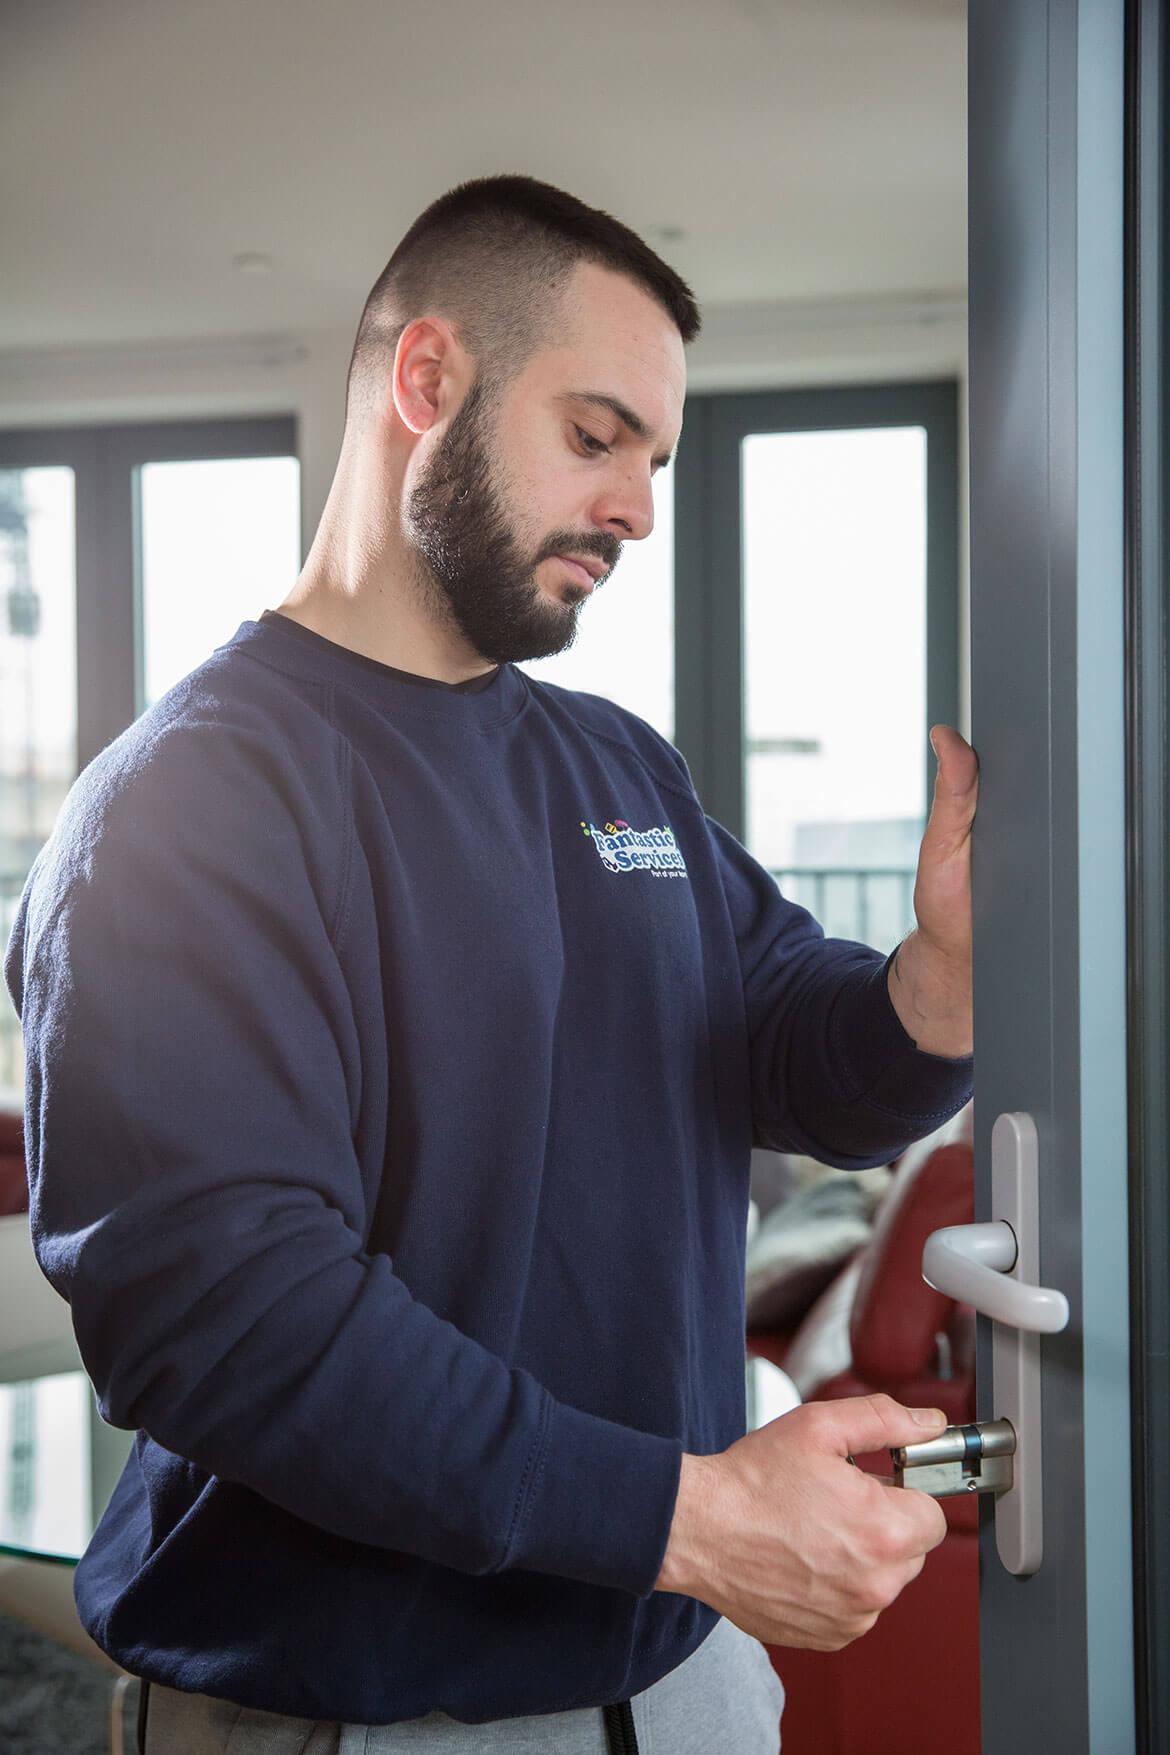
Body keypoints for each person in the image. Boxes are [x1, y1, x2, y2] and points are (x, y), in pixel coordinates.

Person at [3, 173, 975, 1755]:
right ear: (426, 381)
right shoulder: (189, 805)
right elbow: (235, 1324)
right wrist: (693, 1518)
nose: (639, 509)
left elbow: (796, 1045)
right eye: (595, 436)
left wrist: (943, 970)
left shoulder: (617, 766)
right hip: (363, 1707)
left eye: (655, 461)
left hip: (686, 1677)